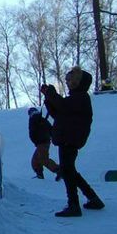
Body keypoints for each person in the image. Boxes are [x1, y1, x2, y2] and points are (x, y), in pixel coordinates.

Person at [42, 67, 104, 216]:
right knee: (69, 170)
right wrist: (49, 98)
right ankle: (92, 198)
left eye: (70, 80)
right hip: (68, 138)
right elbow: (59, 113)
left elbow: (63, 107)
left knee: (67, 170)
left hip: (70, 138)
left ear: (77, 82)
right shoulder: (76, 97)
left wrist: (51, 94)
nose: (67, 82)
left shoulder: (81, 97)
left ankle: (74, 205)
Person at [27, 107, 60, 180]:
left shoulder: (32, 120)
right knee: (35, 160)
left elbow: (32, 134)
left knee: (43, 160)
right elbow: (51, 130)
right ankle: (40, 175)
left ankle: (59, 170)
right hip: (45, 142)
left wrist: (36, 142)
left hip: (41, 143)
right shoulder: (42, 119)